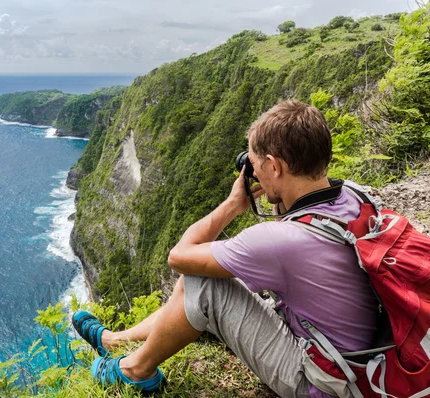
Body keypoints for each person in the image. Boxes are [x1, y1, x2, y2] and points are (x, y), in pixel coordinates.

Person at [73, 100, 378, 397]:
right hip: (367, 360)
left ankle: (135, 370)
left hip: (325, 383)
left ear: (274, 165)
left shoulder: (280, 241)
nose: (253, 172)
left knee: (201, 281)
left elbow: (179, 257)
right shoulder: (356, 197)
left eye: (256, 164)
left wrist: (233, 204)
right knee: (217, 272)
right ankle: (116, 340)